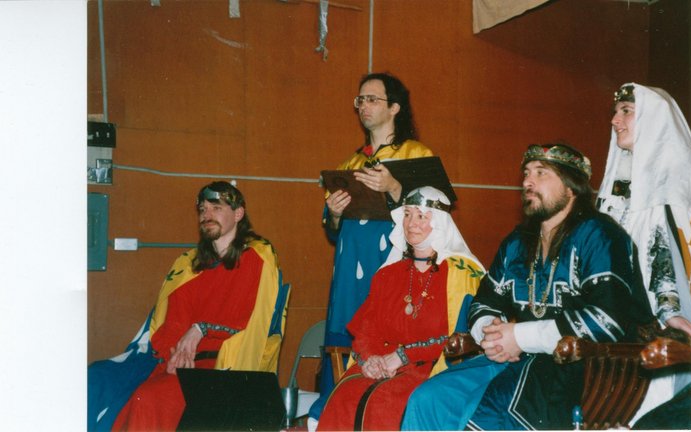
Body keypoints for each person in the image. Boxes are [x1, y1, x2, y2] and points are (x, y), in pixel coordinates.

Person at [401, 143, 653, 431]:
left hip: (582, 368)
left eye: (541, 173)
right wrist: (492, 334)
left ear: (571, 187)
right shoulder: (518, 241)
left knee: (486, 416)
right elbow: (485, 300)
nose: (528, 182)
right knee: (428, 399)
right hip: (517, 359)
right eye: (526, 173)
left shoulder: (601, 235)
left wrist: (520, 337)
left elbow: (607, 320)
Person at [87, 181, 290, 432]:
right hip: (176, 362)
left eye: (216, 208)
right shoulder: (188, 265)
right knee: (95, 379)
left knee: (148, 399)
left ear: (238, 214)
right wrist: (173, 354)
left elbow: (254, 322)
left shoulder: (258, 255)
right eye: (203, 209)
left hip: (222, 367)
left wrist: (201, 329)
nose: (207, 215)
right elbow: (170, 322)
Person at [310, 72, 434, 426]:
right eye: (360, 100)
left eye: (372, 99)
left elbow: (434, 214)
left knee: (386, 339)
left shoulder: (417, 155)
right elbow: (333, 230)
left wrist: (394, 186)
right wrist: (334, 214)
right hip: (349, 271)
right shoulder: (351, 163)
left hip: (390, 265)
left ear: (394, 107)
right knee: (345, 337)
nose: (363, 105)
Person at [317, 186, 485, 431]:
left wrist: (403, 357)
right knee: (346, 395)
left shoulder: (462, 274)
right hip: (382, 364)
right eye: (407, 214)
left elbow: (462, 338)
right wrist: (370, 360)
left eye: (421, 216)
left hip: (433, 369)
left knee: (385, 402)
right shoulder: (388, 274)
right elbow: (367, 329)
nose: (411, 223)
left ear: (439, 223)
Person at [597, 83, 691, 424]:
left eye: (626, 111)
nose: (615, 120)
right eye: (615, 112)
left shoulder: (673, 190)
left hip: (655, 327)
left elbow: (663, 252)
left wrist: (670, 311)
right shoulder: (615, 193)